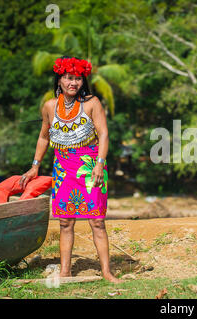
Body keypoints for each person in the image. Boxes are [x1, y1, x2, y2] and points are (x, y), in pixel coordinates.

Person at [20, 56, 122, 283]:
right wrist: (34, 167)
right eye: (68, 78)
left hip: (90, 167)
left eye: (77, 78)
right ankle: (65, 272)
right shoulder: (49, 106)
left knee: (96, 220)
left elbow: (104, 134)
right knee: (65, 221)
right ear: (59, 81)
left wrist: (99, 164)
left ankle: (106, 272)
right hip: (63, 169)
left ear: (83, 82)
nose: (73, 83)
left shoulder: (93, 103)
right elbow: (44, 137)